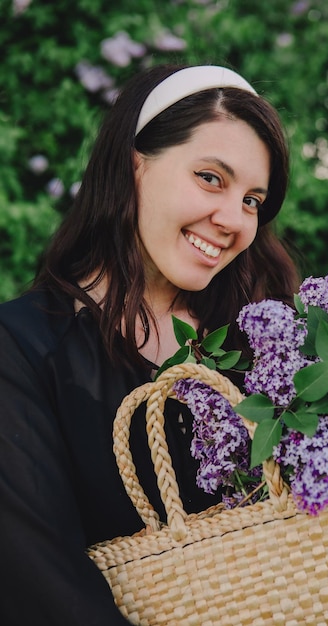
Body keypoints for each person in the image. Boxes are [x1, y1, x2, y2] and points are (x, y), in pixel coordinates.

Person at [0, 63, 299, 625]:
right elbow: (35, 579)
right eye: (211, 178)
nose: (232, 219)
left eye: (253, 200)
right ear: (135, 166)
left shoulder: (260, 347)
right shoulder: (21, 348)